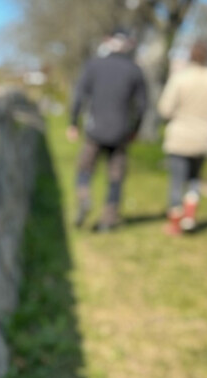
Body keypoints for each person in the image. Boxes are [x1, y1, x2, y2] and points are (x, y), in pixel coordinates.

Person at [68, 27, 147, 231]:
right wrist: (134, 130)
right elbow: (141, 106)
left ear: (107, 40)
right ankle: (108, 219)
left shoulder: (94, 65)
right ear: (128, 43)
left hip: (95, 130)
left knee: (85, 168)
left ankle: (84, 195)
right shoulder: (134, 70)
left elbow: (79, 95)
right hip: (121, 132)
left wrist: (73, 122)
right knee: (116, 177)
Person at [157, 40, 207, 234]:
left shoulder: (180, 78)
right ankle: (189, 216)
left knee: (177, 180)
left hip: (180, 137)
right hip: (205, 137)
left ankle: (175, 223)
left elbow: (165, 108)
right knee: (194, 179)